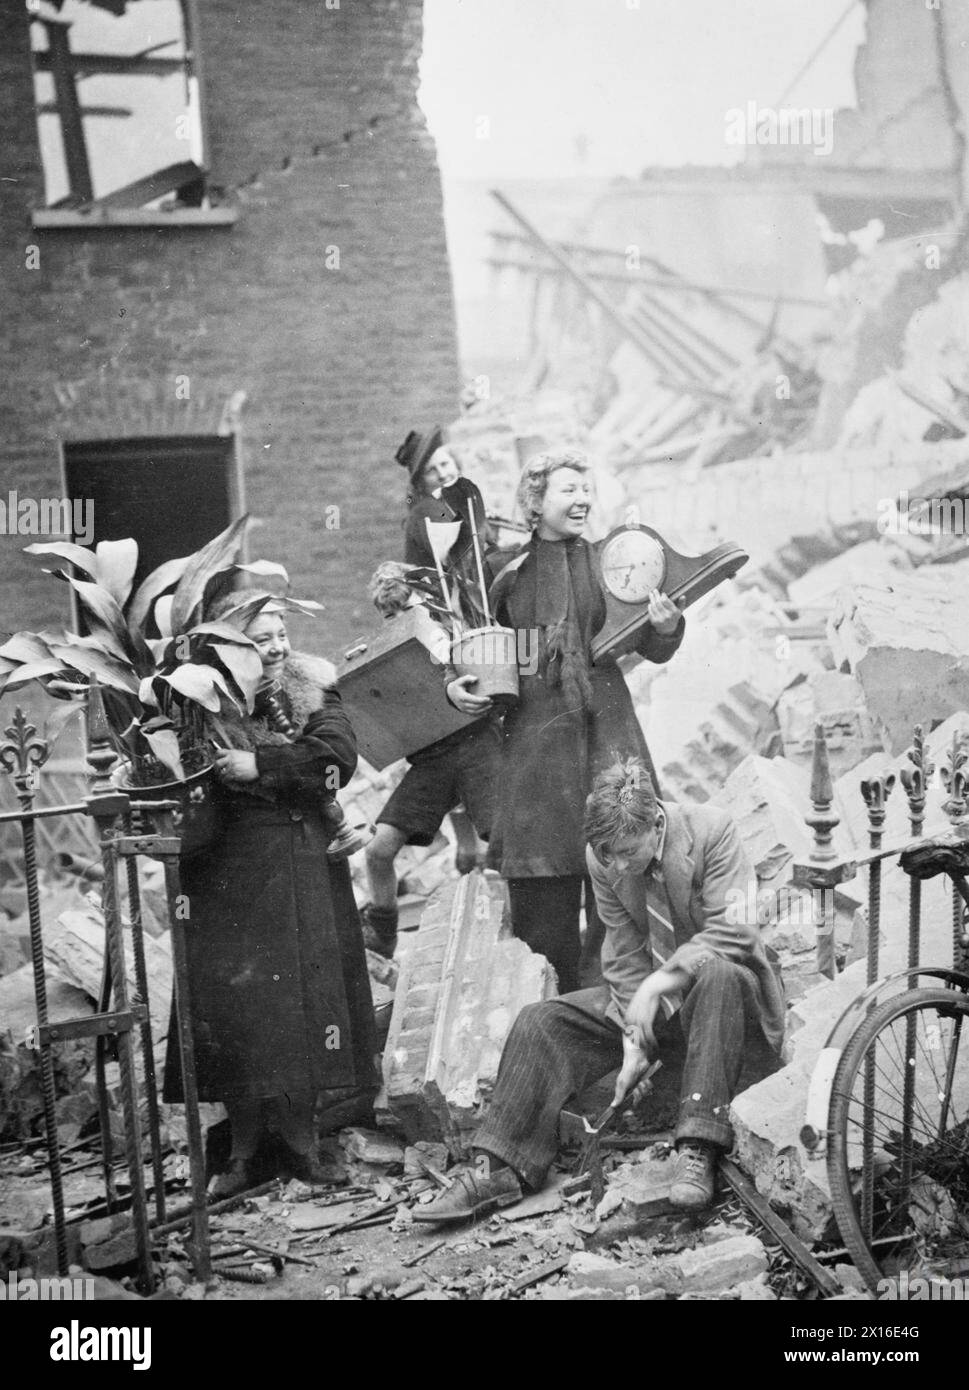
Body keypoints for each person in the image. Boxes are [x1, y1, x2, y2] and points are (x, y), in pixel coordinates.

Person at [413, 758, 786, 1223]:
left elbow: (737, 934)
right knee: (541, 1021)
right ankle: (501, 1165)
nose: (619, 866)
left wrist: (659, 986)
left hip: (727, 1007)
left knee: (718, 975)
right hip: (663, 1009)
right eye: (608, 855)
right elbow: (625, 950)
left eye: (629, 852)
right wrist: (636, 1035)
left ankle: (698, 1146)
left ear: (655, 824)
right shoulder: (607, 856)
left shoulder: (714, 831)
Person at [162, 597, 377, 1196]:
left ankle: (303, 1142)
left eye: (281, 634)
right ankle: (245, 1149)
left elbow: (335, 761)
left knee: (304, 1008)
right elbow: (179, 777)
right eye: (260, 639)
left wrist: (261, 764)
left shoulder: (314, 688)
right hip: (223, 870)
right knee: (238, 1014)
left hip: (298, 860)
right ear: (229, 648)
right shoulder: (197, 703)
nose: (278, 647)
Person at [462, 447, 684, 994]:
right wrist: (458, 687)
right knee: (543, 908)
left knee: (624, 890)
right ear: (535, 501)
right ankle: (554, 1027)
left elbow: (652, 646)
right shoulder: (504, 573)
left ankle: (627, 1032)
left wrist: (664, 627)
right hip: (535, 756)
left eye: (587, 489)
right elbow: (471, 653)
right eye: (568, 489)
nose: (583, 499)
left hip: (608, 737)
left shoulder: (615, 561)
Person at [358, 561, 501, 958]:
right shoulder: (391, 662)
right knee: (378, 851)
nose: (400, 621)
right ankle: (384, 932)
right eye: (390, 616)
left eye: (408, 609)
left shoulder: (462, 636)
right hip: (432, 761)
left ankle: (515, 922)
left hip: (479, 748)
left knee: (503, 845)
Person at [397, 426, 492, 590]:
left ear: (456, 465)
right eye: (431, 471)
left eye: (445, 464)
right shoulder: (426, 510)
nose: (442, 474)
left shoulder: (454, 505)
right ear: (421, 483)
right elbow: (462, 559)